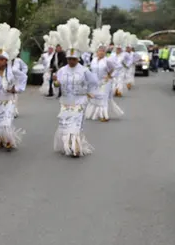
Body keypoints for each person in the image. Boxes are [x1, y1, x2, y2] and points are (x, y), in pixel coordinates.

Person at [52, 19, 98, 158]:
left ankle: (75, 147)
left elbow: (94, 82)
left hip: (79, 102)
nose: (71, 61)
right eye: (69, 59)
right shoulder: (61, 71)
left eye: (73, 59)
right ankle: (67, 146)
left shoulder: (84, 71)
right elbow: (57, 85)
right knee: (65, 126)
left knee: (75, 126)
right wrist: (56, 83)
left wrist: (89, 93)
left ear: (78, 59)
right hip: (65, 102)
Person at [0, 24, 24, 150]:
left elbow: (24, 78)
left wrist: (15, 89)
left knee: (7, 122)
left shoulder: (13, 71)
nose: (0, 61)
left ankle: (8, 140)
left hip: (9, 101)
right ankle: (1, 140)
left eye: (2, 59)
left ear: (7, 61)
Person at [84, 27, 124, 122]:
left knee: (103, 98)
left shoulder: (108, 60)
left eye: (103, 51)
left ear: (105, 52)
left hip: (105, 82)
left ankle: (104, 115)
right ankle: (95, 113)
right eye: (99, 51)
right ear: (97, 52)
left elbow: (116, 68)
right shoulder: (93, 60)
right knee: (95, 97)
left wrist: (110, 75)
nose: (101, 52)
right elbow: (91, 70)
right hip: (95, 82)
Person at [110, 30, 131, 97]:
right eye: (117, 49)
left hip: (121, 70)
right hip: (114, 70)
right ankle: (114, 91)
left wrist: (127, 65)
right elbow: (108, 61)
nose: (118, 50)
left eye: (119, 49)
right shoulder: (112, 54)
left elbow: (129, 59)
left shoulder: (124, 54)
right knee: (114, 81)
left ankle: (119, 91)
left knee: (120, 80)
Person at [10, 50, 28, 118]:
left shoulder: (18, 61)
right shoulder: (6, 62)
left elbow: (25, 67)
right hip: (8, 81)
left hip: (16, 81)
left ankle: (14, 110)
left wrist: (22, 74)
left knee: (14, 96)